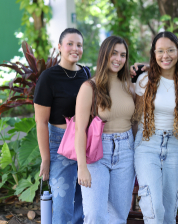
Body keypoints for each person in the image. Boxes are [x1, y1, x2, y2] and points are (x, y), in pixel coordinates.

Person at [133, 31, 178, 224]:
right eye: (160, 51)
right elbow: (135, 119)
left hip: (175, 145)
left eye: (170, 50)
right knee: (154, 207)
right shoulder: (144, 81)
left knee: (168, 213)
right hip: (147, 144)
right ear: (153, 54)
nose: (165, 55)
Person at [75, 36, 136, 223]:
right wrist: (82, 167)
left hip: (126, 151)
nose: (118, 59)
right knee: (95, 214)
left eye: (123, 55)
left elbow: (134, 123)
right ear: (104, 55)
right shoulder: (89, 87)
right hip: (97, 153)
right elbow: (79, 130)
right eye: (114, 53)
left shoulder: (129, 86)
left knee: (118, 214)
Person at [34, 28, 88, 224]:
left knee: (83, 206)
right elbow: (40, 122)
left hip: (85, 145)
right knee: (63, 208)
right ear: (59, 47)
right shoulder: (48, 78)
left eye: (79, 45)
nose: (75, 48)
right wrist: (45, 159)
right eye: (70, 44)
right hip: (59, 146)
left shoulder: (86, 74)